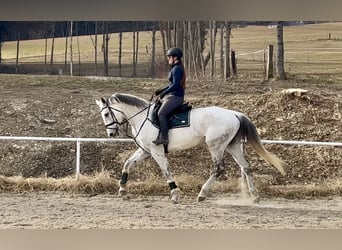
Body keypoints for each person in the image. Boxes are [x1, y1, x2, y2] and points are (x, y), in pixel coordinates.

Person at [153, 47, 186, 145]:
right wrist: (161, 90)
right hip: (173, 95)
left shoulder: (176, 69)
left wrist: (164, 93)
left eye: (169, 57)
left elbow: (176, 85)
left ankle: (164, 138)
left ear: (175, 58)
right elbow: (172, 84)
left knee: (161, 114)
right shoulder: (176, 68)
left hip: (176, 97)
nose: (168, 60)